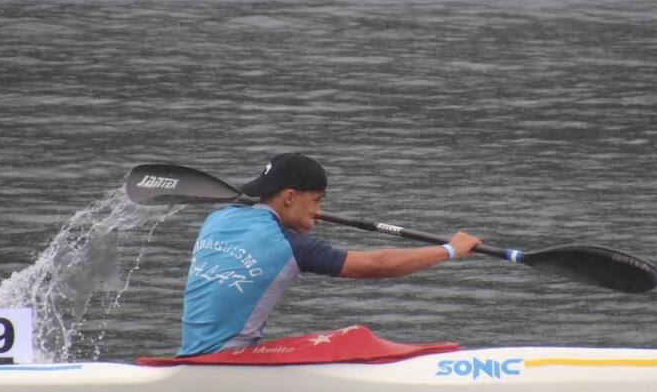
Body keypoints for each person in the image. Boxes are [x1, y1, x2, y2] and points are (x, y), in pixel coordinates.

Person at [178, 152, 483, 356]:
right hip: (229, 360)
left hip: (193, 353)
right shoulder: (292, 246)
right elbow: (378, 266)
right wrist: (449, 250)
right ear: (289, 197)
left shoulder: (218, 218)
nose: (320, 213)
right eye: (317, 201)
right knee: (354, 340)